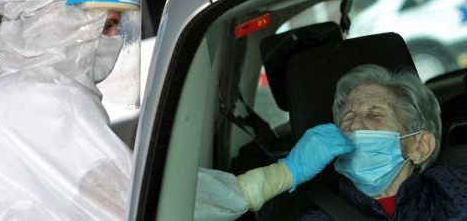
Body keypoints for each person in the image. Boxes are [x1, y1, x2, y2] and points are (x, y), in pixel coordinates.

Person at [196, 64, 467, 220]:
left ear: (420, 147)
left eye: (375, 114)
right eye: (347, 117)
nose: (355, 125)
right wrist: (283, 174)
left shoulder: (455, 191)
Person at [0, 0, 139, 219]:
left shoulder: (3, 84)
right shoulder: (50, 96)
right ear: (59, 16)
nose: (114, 39)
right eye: (106, 26)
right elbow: (133, 196)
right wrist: (235, 192)